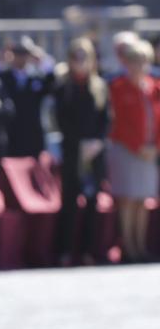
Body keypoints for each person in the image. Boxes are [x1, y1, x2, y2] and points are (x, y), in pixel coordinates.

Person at [53, 37, 109, 267]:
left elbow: (105, 119)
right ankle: (65, 250)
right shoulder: (63, 87)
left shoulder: (99, 86)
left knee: (92, 201)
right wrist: (79, 144)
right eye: (76, 57)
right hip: (73, 151)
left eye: (84, 57)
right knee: (70, 201)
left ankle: (88, 250)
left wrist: (97, 142)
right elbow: (61, 120)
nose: (80, 62)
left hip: (94, 152)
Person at [106, 38, 159, 263]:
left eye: (142, 60)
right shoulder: (118, 87)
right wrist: (138, 147)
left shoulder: (155, 87)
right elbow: (118, 123)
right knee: (128, 199)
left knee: (142, 200)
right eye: (133, 60)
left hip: (150, 151)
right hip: (127, 150)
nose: (138, 65)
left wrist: (156, 147)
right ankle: (128, 246)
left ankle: (141, 245)